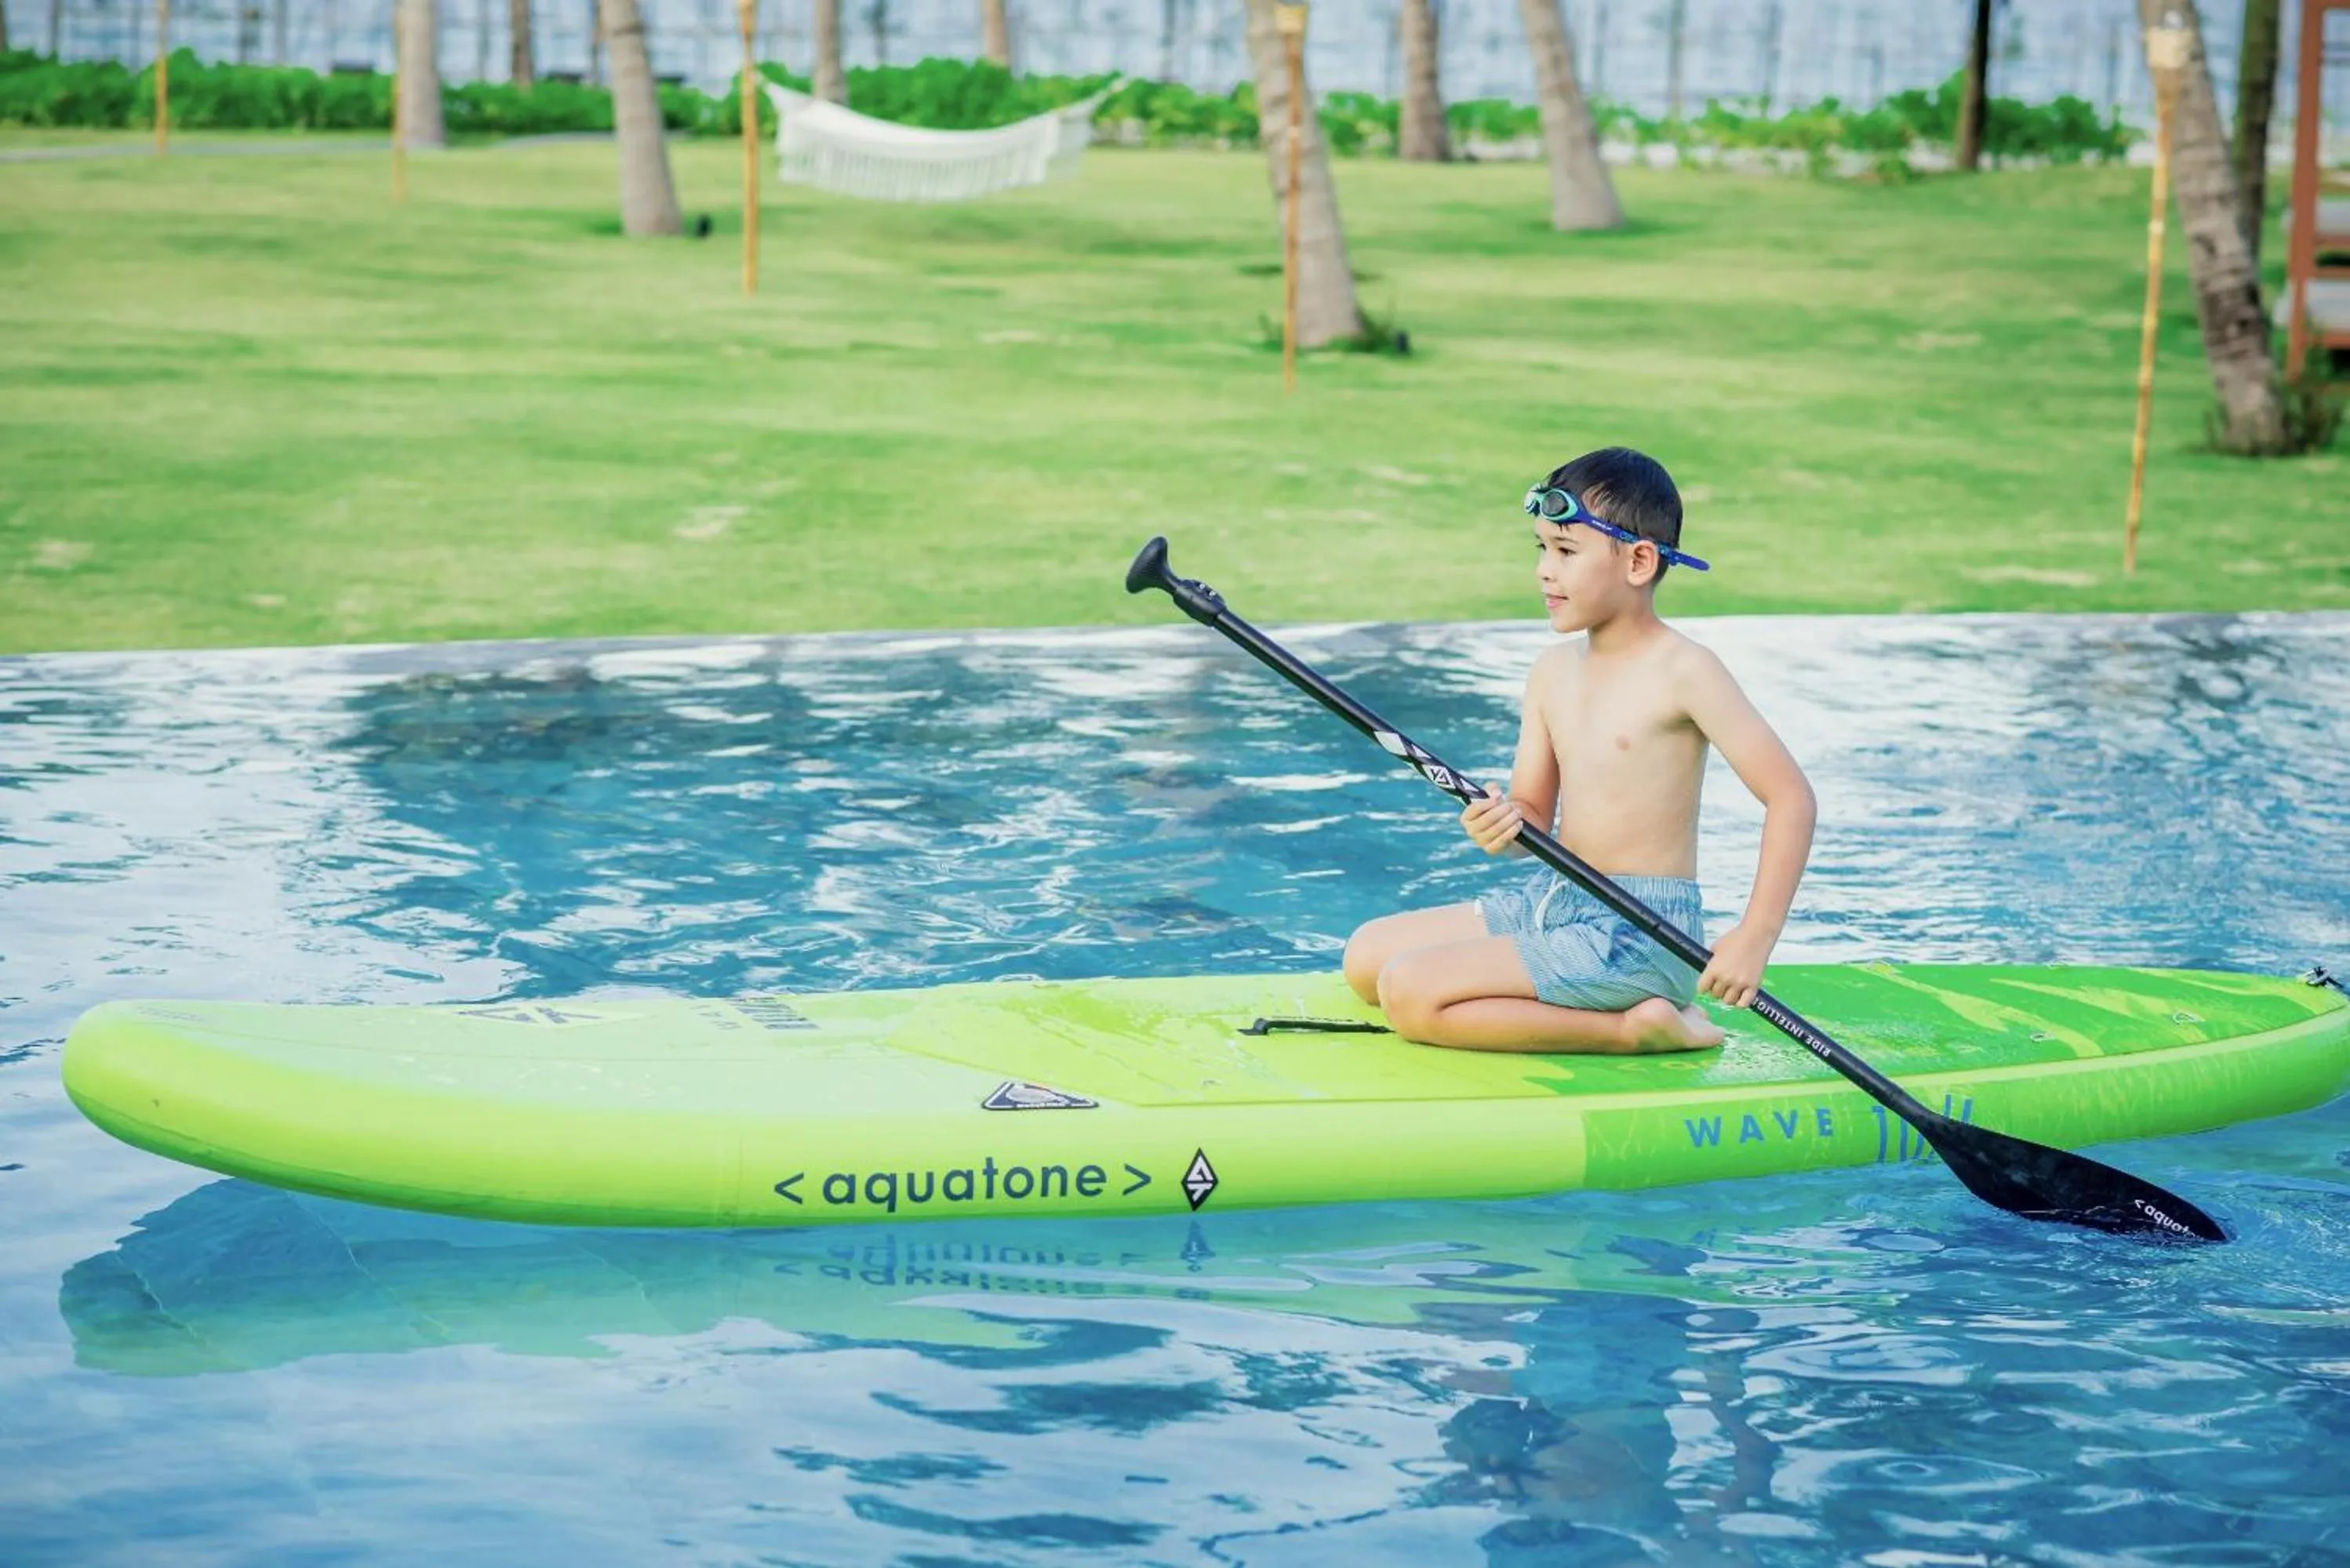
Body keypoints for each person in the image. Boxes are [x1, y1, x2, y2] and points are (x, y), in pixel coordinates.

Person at [1342, 447, 1815, 1054]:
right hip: (1554, 896)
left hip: (1643, 930)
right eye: (1541, 548)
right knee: (1366, 961)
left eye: (1566, 551)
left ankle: (1633, 1028)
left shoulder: (1686, 671)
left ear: (1639, 561)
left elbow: (1790, 798)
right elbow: (1531, 820)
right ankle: (1599, 1005)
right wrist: (1501, 825)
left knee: (1410, 993)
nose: (1545, 570)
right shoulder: (1551, 672)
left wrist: (1755, 935)